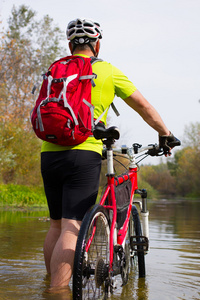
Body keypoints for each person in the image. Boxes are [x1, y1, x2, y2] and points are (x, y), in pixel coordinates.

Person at [41, 18, 178, 288]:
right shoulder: (108, 71)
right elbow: (144, 107)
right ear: (97, 44)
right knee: (73, 226)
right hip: (84, 153)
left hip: (49, 152)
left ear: (70, 45)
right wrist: (165, 134)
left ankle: (48, 285)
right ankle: (58, 293)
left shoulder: (56, 70)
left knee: (56, 225)